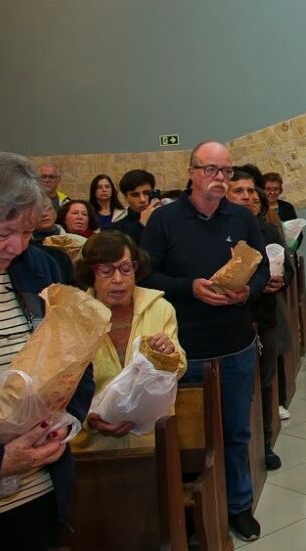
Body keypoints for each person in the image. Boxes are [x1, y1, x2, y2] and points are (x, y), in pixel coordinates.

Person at [140, 141, 270, 541]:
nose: (221, 179)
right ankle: (187, 515)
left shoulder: (242, 218)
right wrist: (189, 288)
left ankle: (238, 506)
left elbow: (263, 269)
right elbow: (146, 277)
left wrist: (247, 293)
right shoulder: (165, 221)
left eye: (227, 172)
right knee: (187, 436)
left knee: (235, 432)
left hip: (234, 342)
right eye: (212, 170)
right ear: (192, 171)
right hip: (185, 347)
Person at [0, 152, 94, 549]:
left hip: (37, 492)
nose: (15, 246)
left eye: (28, 232)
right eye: (1, 232)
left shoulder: (41, 268)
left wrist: (64, 422)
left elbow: (77, 360)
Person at [70, 231, 186, 451]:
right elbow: (61, 391)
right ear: (90, 274)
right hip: (93, 448)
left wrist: (169, 356)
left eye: (125, 268)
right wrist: (89, 419)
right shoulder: (74, 317)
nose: (118, 279)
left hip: (153, 441)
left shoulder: (160, 308)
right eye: (106, 270)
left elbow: (179, 368)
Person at [225, 173, 289, 471]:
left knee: (263, 383)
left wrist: (281, 280)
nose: (247, 197)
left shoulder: (267, 229)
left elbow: (285, 268)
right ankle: (236, 448)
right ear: (226, 195)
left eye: (251, 191)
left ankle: (264, 442)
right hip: (231, 319)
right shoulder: (220, 231)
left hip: (263, 316)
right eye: (239, 191)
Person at [109, 169, 160, 245]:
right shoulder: (115, 230)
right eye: (135, 195)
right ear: (126, 198)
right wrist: (141, 225)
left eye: (146, 193)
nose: (142, 199)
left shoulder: (166, 221)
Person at [29, 206, 74, 285]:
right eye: (38, 210)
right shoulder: (23, 248)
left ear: (55, 213)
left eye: (48, 209)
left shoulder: (75, 242)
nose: (44, 214)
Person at [263, 172, 301, 250]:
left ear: (280, 190)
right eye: (268, 189)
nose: (272, 192)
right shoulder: (257, 209)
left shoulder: (287, 207)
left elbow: (298, 233)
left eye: (276, 189)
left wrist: (291, 250)